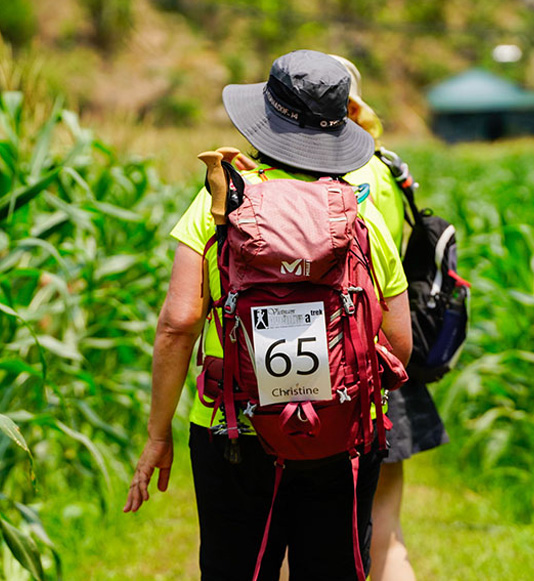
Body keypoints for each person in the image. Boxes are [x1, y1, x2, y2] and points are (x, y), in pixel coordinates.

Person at [123, 49, 412, 581]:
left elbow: (179, 322)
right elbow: (399, 341)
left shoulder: (219, 203)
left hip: (231, 428)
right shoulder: (362, 211)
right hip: (341, 430)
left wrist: (157, 434)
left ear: (267, 120)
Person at [333, 54, 451, 581]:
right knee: (385, 528)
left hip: (304, 366)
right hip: (381, 357)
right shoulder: (384, 168)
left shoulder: (274, 174)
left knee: (297, 532)